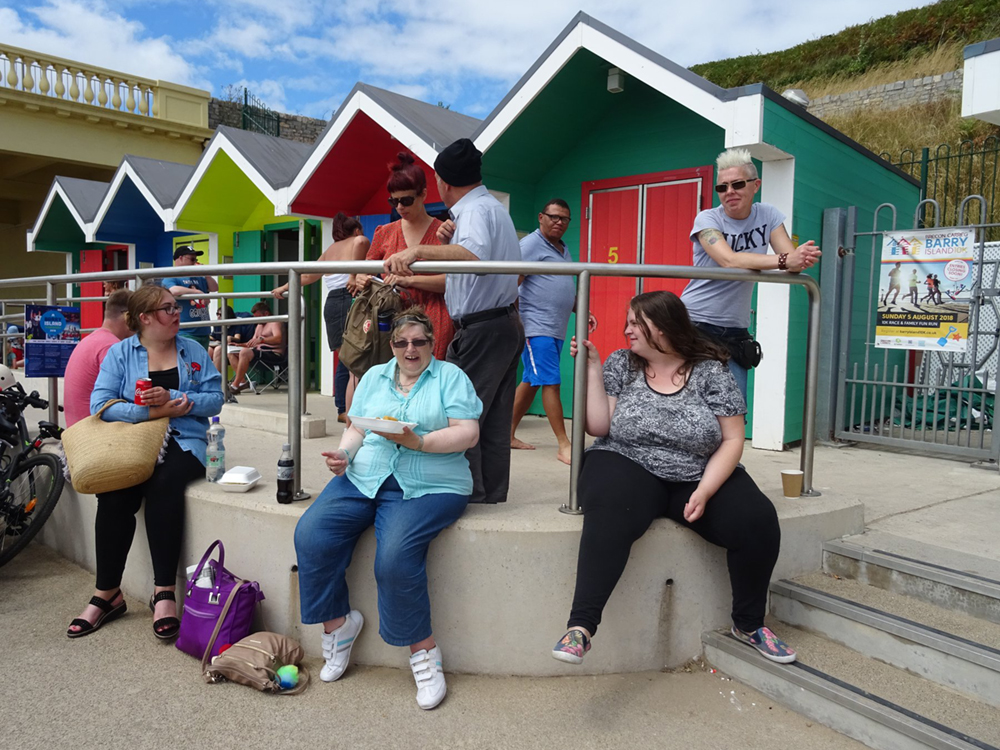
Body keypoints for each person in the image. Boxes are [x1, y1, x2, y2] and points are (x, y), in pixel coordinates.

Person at [550, 291, 795, 666]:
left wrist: (706, 489)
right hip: (626, 460)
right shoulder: (621, 364)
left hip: (695, 472)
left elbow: (732, 439)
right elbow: (599, 426)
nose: (626, 329)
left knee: (757, 519)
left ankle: (748, 624)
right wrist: (593, 368)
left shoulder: (712, 371)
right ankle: (580, 627)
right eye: (628, 322)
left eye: (636, 323)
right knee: (611, 504)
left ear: (661, 329)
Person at [294, 307, 482, 709]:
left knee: (394, 558)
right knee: (312, 533)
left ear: (434, 342)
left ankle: (424, 653)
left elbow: (468, 433)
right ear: (391, 344)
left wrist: (421, 443)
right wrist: (344, 456)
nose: (410, 349)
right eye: (401, 342)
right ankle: (338, 626)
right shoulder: (376, 376)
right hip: (366, 473)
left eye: (419, 341)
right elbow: (357, 427)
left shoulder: (450, 377)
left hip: (430, 483)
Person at [67, 284, 223, 640]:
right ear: (145, 317)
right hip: (133, 443)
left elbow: (216, 400)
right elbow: (101, 404)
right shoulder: (121, 354)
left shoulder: (193, 350)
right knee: (115, 493)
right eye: (168, 308)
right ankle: (107, 593)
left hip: (186, 440)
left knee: (164, 485)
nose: (177, 313)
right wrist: (149, 411)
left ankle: (164, 592)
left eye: (176, 307)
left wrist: (178, 399)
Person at [384, 138, 524, 504]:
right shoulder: (486, 209)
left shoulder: (476, 211)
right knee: (490, 418)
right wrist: (450, 233)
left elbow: (473, 255)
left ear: (443, 182)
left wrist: (416, 250)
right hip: (501, 322)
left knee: (460, 413)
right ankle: (489, 493)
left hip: (483, 325)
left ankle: (467, 492)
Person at [680, 148, 821, 402]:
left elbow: (792, 264)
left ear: (756, 185)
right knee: (693, 410)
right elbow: (728, 259)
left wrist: (800, 257)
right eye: (722, 188)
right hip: (695, 323)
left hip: (735, 329)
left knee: (734, 409)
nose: (729, 192)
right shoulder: (707, 219)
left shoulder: (768, 215)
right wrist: (785, 260)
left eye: (737, 184)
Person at [510, 198, 593, 464]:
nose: (559, 222)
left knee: (532, 382)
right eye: (554, 217)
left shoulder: (561, 248)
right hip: (536, 328)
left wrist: (581, 311)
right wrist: (514, 321)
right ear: (541, 217)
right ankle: (564, 444)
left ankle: (505, 434)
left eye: (564, 219)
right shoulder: (531, 245)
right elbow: (513, 284)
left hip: (554, 328)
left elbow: (559, 287)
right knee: (550, 382)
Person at [356, 153, 455, 361]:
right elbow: (365, 270)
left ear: (424, 194)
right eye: (394, 201)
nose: (400, 207)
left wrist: (408, 280)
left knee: (431, 379)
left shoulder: (443, 232)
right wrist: (361, 278)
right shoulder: (385, 232)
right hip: (392, 317)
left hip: (435, 317)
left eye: (406, 200)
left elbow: (452, 281)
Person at [272, 213, 369, 422]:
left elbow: (307, 276)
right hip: (350, 300)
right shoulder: (358, 240)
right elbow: (361, 241)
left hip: (332, 303)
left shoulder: (329, 251)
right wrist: (353, 274)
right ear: (356, 230)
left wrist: (284, 286)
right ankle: (352, 413)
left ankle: (342, 409)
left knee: (344, 360)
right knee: (356, 362)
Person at [63, 290, 132, 427]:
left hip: (76, 430)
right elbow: (129, 401)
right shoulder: (111, 347)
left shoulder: (92, 339)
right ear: (128, 317)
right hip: (94, 435)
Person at [161, 246, 218, 350]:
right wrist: (197, 292)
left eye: (196, 259)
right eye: (192, 259)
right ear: (180, 258)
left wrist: (206, 274)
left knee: (200, 363)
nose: (194, 262)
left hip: (203, 331)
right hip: (185, 332)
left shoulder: (199, 277)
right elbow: (172, 290)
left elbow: (214, 288)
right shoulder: (171, 276)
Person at [228, 302, 285, 394]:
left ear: (266, 313)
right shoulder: (259, 325)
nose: (256, 320)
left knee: (245, 353)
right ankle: (242, 383)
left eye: (258, 317)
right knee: (231, 353)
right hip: (259, 353)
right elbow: (252, 342)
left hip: (273, 354)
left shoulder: (275, 322)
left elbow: (278, 339)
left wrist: (263, 340)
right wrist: (239, 345)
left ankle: (234, 385)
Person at [209, 306, 255, 374]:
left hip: (230, 347)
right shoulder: (217, 324)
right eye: (217, 314)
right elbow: (213, 337)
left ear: (227, 315)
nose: (218, 316)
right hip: (219, 344)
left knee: (218, 349)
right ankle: (207, 377)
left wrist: (231, 338)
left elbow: (237, 338)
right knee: (209, 349)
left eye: (220, 314)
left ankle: (217, 378)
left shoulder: (235, 324)